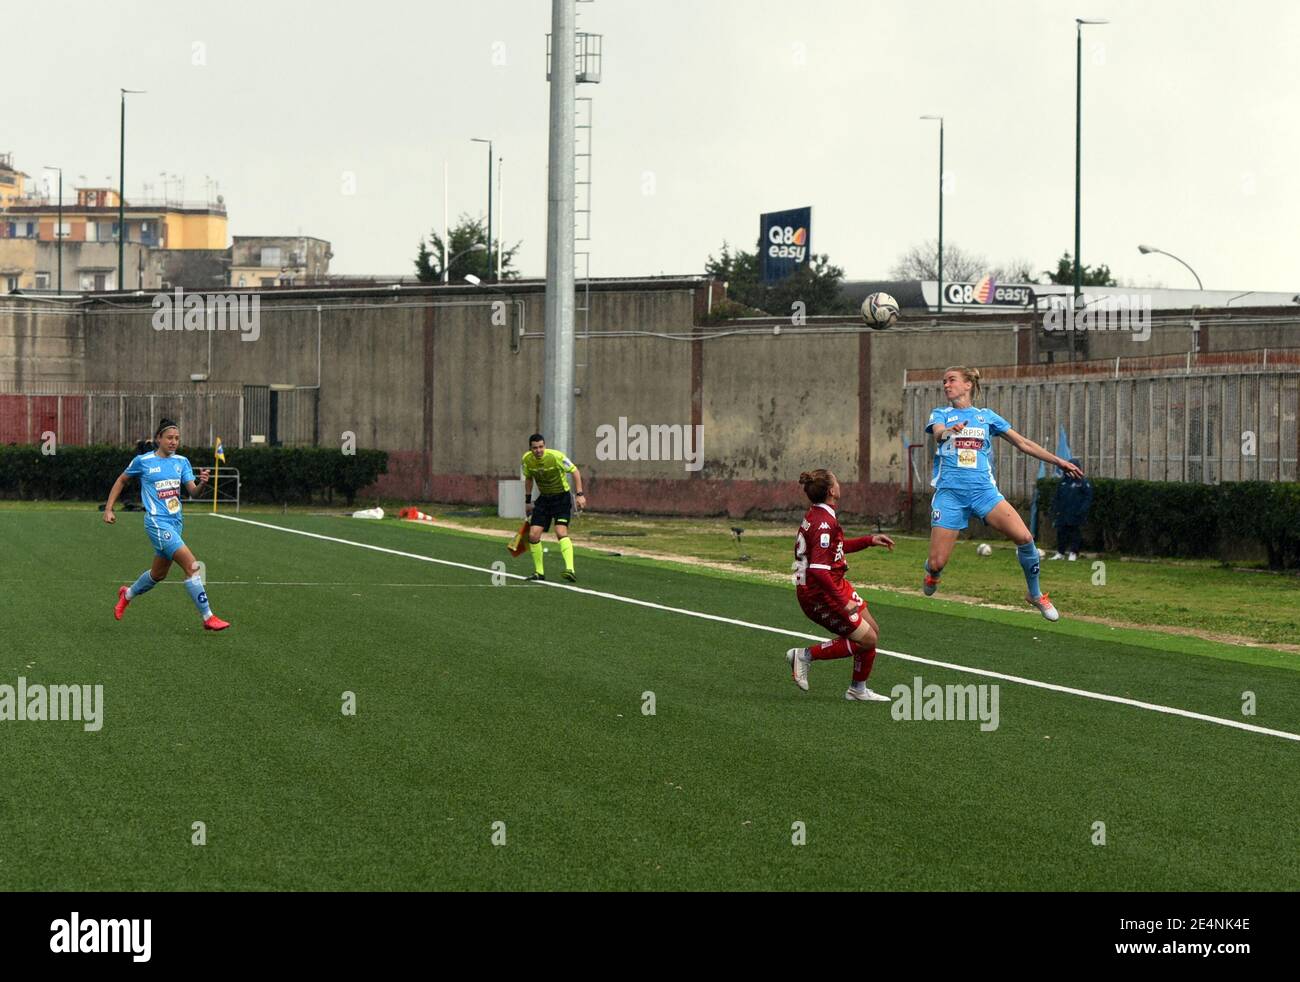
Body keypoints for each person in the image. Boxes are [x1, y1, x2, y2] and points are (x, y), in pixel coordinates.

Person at [923, 366, 1084, 622]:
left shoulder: (986, 417)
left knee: (1025, 537)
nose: (946, 385)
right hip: (950, 494)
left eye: (951, 380)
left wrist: (1059, 461)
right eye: (943, 381)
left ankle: (1035, 594)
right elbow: (939, 432)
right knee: (937, 563)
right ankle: (932, 573)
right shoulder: (941, 413)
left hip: (984, 493)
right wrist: (948, 432)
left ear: (968, 385)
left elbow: (1023, 443)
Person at [103, 418, 230, 631]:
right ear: (158, 439)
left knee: (158, 574)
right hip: (156, 523)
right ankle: (208, 617)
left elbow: (193, 492)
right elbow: (121, 480)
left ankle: (127, 594)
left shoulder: (182, 462)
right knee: (192, 566)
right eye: (169, 438)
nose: (173, 442)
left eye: (177, 438)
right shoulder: (143, 461)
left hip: (176, 523)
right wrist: (109, 508)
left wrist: (203, 483)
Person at [786, 469, 895, 702]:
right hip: (819, 594)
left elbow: (832, 550)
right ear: (832, 491)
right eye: (837, 480)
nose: (840, 484)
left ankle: (858, 689)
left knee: (872, 631)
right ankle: (803, 655)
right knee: (867, 639)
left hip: (834, 584)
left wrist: (868, 541)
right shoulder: (824, 522)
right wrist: (841, 601)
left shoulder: (820, 515)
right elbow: (818, 570)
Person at [519, 433, 586, 582]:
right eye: (535, 448)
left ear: (545, 446)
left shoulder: (556, 457)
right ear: (530, 449)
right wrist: (528, 501)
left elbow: (575, 471)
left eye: (541, 447)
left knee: (560, 531)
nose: (538, 450)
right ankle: (539, 573)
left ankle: (570, 569)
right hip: (544, 499)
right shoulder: (527, 460)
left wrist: (580, 494)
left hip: (561, 498)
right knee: (533, 535)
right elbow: (529, 478)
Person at [1049, 457, 1092, 561]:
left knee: (1074, 533)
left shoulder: (1082, 482)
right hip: (1063, 512)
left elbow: (1088, 497)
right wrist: (1055, 510)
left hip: (1075, 513)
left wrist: (1082, 510)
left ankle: (1074, 552)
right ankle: (1060, 552)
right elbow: (1057, 497)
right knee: (1061, 532)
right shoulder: (1063, 482)